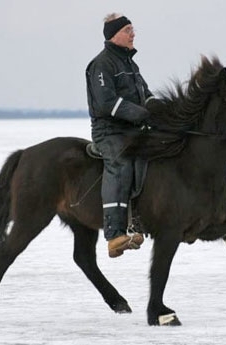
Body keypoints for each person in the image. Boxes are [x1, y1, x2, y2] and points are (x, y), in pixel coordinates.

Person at [86, 12, 159, 258]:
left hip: (133, 129)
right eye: (128, 30)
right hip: (109, 132)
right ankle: (114, 235)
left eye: (132, 29)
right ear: (114, 35)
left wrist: (159, 109)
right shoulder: (101, 64)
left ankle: (137, 222)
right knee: (121, 163)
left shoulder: (130, 64)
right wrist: (141, 114)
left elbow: (146, 94)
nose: (133, 34)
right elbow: (107, 103)